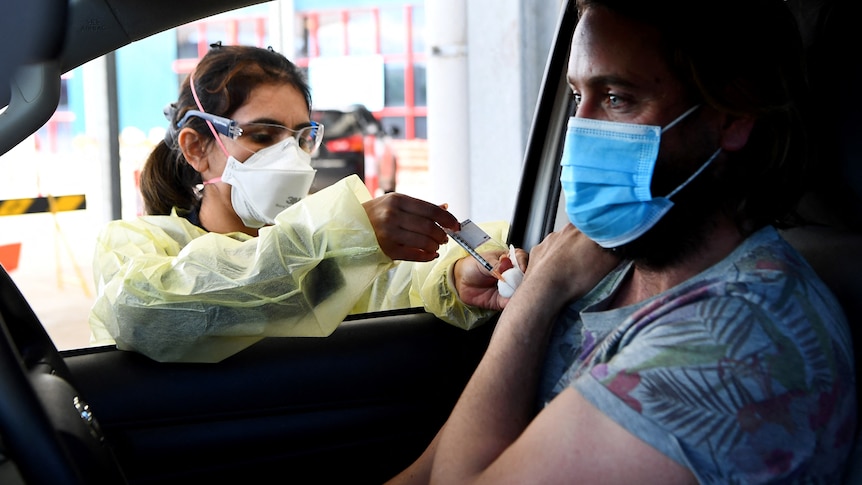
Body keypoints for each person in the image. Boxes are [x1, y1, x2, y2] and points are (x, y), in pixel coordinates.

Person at [387, 0, 856, 483]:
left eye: (616, 98)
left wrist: (535, 299)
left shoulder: (738, 346)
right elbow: (426, 472)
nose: (580, 131)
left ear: (731, 118)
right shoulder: (610, 266)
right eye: (576, 97)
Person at [89, 44, 513, 363]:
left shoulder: (326, 250)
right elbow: (143, 313)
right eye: (262, 135)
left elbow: (389, 287)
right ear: (197, 148)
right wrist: (339, 232)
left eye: (300, 137)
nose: (289, 158)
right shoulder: (139, 243)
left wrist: (455, 275)